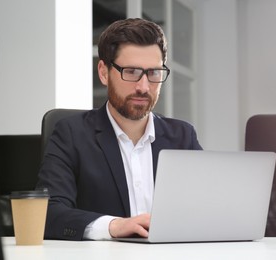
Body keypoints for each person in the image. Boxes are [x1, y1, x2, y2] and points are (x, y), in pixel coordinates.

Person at [36, 18, 202, 241]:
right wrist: (113, 226)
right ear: (104, 73)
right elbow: (48, 213)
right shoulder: (71, 134)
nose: (143, 87)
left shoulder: (183, 137)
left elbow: (208, 209)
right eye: (131, 72)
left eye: (153, 73)